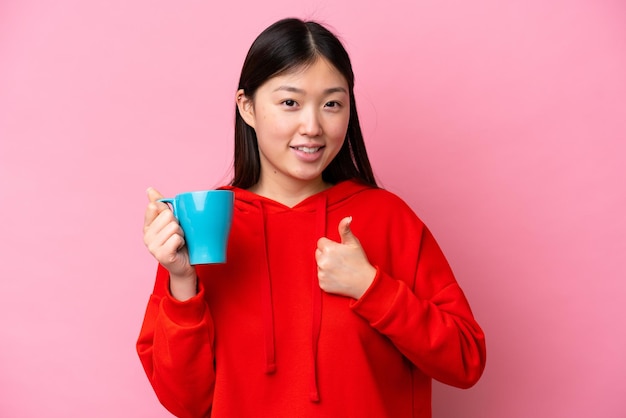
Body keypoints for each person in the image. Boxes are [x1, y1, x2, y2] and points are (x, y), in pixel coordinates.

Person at [137, 17, 486, 418]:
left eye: (332, 104)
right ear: (247, 107)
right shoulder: (204, 226)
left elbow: (466, 360)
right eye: (290, 102)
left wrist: (372, 288)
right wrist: (182, 280)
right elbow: (184, 403)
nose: (312, 126)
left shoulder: (388, 217)